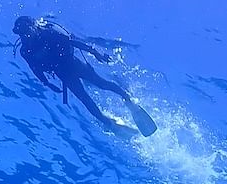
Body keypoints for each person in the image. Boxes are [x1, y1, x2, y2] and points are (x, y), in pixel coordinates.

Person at [12, 15, 156, 135]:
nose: (26, 36)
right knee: (84, 99)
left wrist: (95, 52)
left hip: (73, 63)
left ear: (34, 26)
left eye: (27, 31)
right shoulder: (25, 51)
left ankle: (128, 100)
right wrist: (47, 83)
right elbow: (35, 69)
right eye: (22, 34)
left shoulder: (48, 33)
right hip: (63, 74)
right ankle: (108, 123)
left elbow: (73, 43)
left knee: (102, 84)